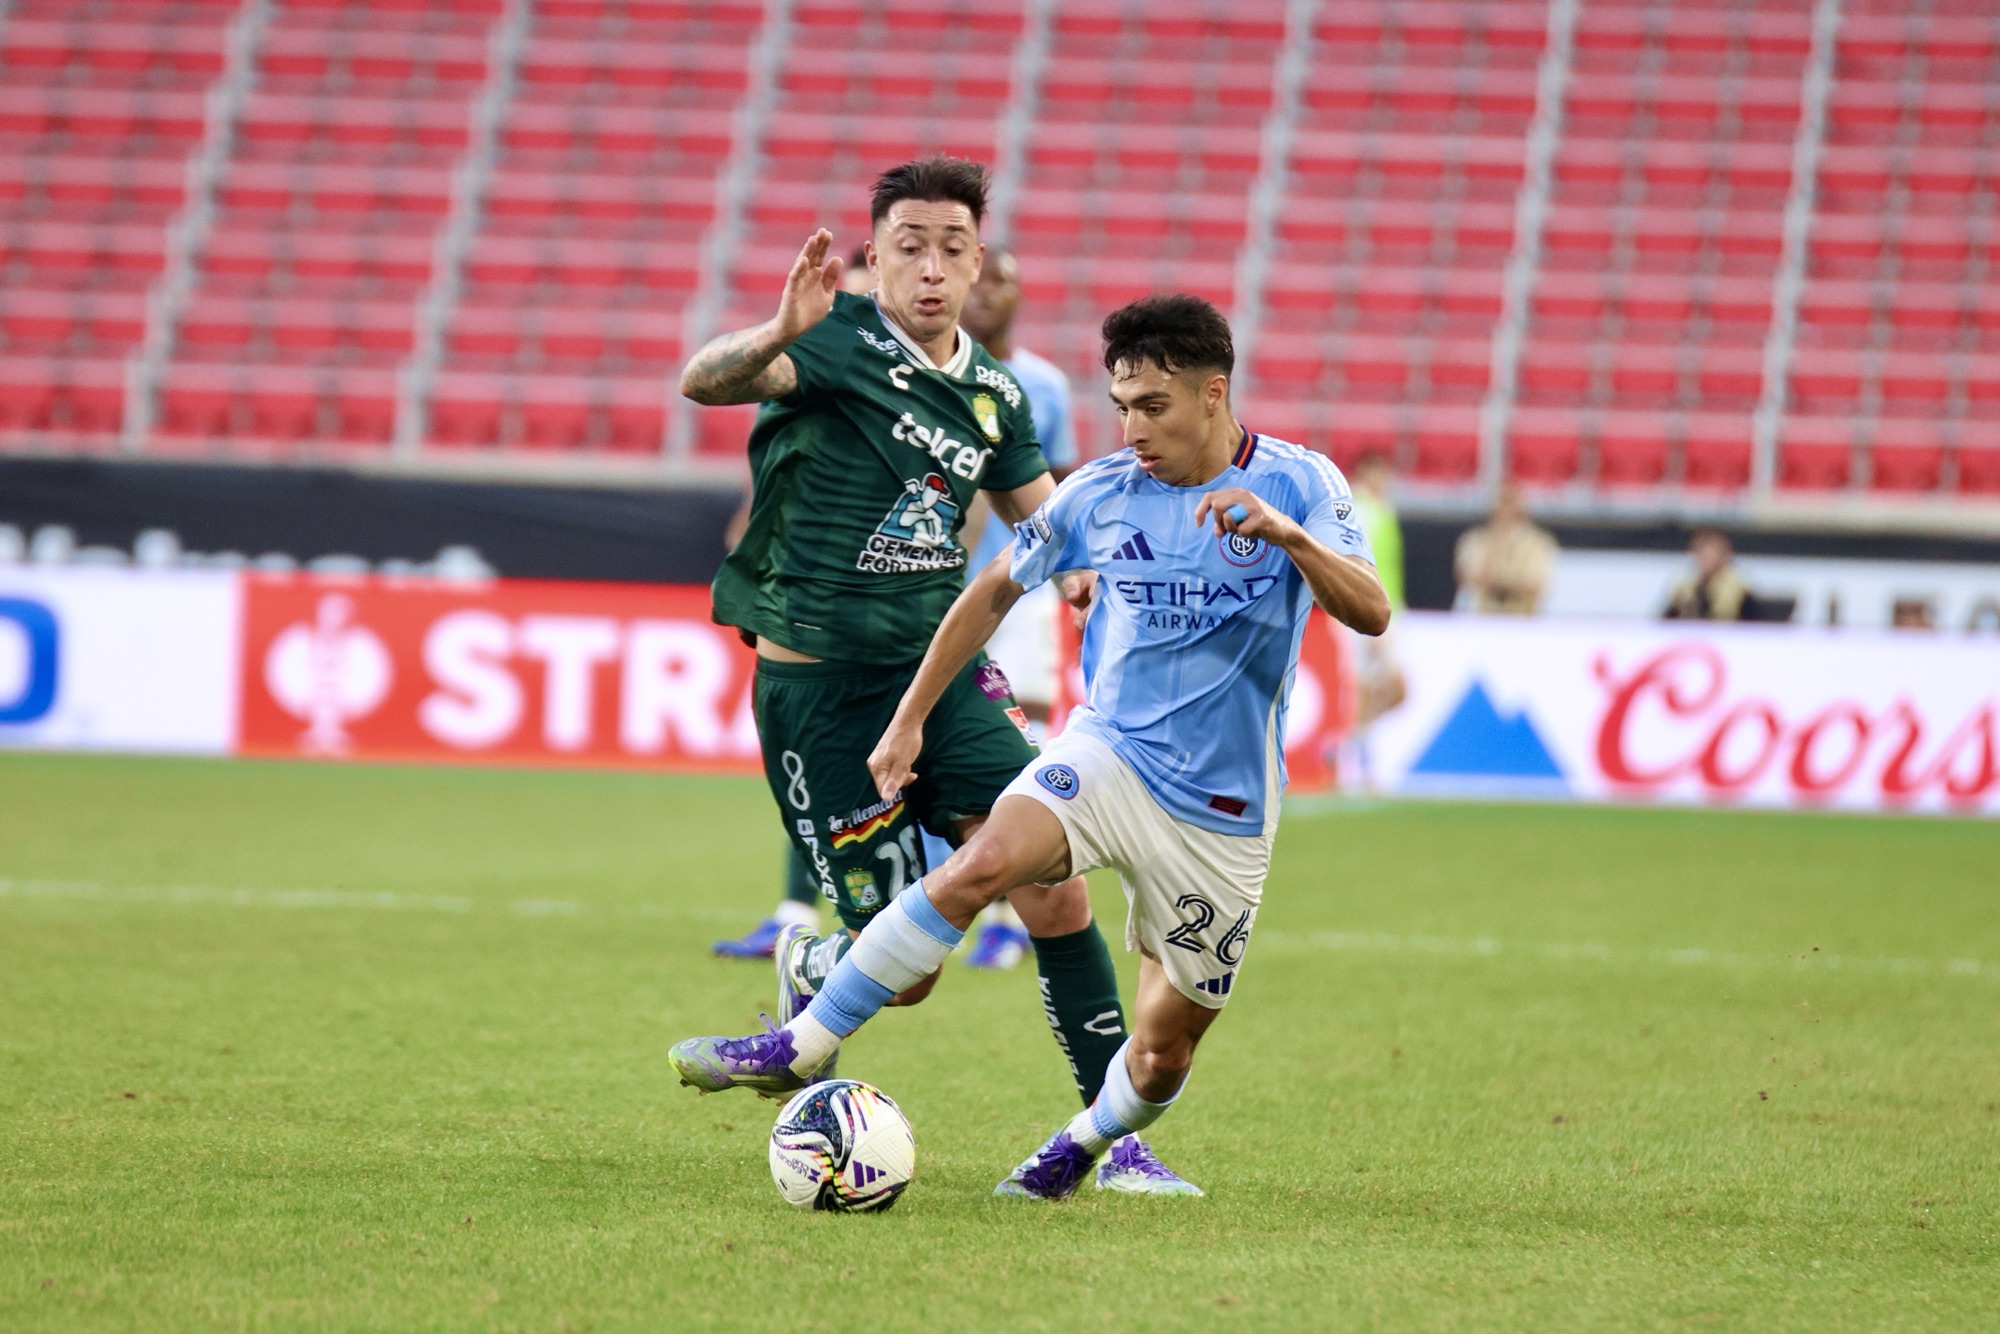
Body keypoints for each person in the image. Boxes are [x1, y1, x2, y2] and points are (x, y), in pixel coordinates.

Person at [671, 294, 1391, 1197]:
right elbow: (990, 595)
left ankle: (1085, 1146)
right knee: (984, 867)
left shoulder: (1301, 483)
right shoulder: (1099, 490)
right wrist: (910, 720)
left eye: (1154, 408)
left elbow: (1369, 610)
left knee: (1166, 1046)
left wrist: (1287, 537)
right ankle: (799, 1044)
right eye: (1121, 406)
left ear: (1215, 394)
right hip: (1109, 755)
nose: (1132, 428)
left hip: (1227, 808)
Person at [676, 158, 1195, 1193]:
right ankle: (818, 968)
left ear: (975, 265)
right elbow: (705, 378)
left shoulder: (995, 396)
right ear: (874, 259)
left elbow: (1042, 522)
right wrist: (777, 332)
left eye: (951, 248)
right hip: (818, 695)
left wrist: (1094, 573)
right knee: (902, 975)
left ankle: (1113, 1141)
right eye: (907, 246)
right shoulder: (827, 340)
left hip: (941, 681)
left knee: (1052, 885)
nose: (929, 268)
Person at [712, 244, 897, 959]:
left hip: (951, 603)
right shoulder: (811, 375)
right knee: (823, 768)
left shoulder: (981, 386)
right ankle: (801, 917)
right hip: (824, 606)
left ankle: (990, 912)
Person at [948, 245, 1076, 970]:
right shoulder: (934, 376)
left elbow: (1054, 485)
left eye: (1007, 277)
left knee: (1018, 748)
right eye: (984, 276)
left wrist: (1069, 580)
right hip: (941, 590)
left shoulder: (1044, 385)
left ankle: (1006, 914)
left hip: (1022, 591)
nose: (992, 290)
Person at [1341, 452, 1408, 790]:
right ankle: (1360, 768)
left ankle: (1350, 746)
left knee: (1385, 693)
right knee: (1383, 690)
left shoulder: (1381, 509)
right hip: (1367, 613)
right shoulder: (1361, 510)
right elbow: (1357, 562)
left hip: (1387, 609)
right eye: (1381, 472)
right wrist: (1364, 617)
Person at [1453, 485, 1557, 615]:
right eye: (1500, 512)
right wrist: (1495, 547)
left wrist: (1499, 586)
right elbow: (1469, 578)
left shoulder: (1539, 543)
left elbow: (1536, 585)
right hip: (1482, 616)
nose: (1505, 516)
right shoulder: (1475, 539)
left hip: (1524, 618)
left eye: (1511, 513)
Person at [1663, 527, 1750, 621]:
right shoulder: (1685, 589)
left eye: (1712, 551)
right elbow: (1665, 623)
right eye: (1701, 551)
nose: (1706, 557)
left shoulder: (1739, 591)